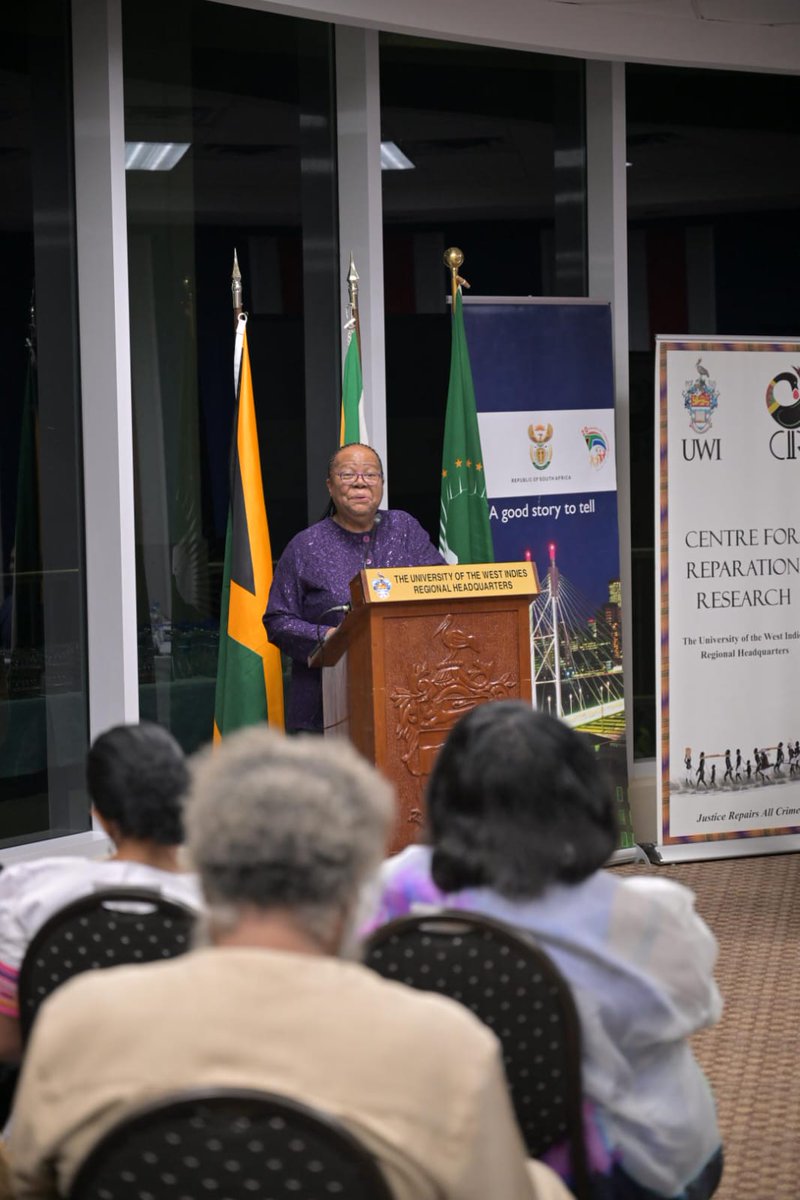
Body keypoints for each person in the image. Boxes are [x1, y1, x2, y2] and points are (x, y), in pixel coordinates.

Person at [8, 727, 570, 1200]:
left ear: (204, 863)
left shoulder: (74, 1020)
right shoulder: (449, 1048)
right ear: (354, 889)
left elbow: (25, 1183)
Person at [368, 702, 724, 1200]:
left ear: (446, 798)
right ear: (583, 796)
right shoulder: (644, 919)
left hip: (446, 1163)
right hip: (617, 1169)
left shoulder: (388, 892)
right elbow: (697, 1009)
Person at [0, 722, 202, 1062]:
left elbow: (7, 1042)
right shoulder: (228, 910)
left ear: (100, 816)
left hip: (66, 1100)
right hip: (193, 1103)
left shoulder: (27, 893)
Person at [264, 443, 444, 731]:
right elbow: (277, 620)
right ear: (330, 486)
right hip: (326, 709)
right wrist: (329, 637)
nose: (360, 481)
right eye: (347, 474)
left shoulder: (405, 529)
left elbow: (442, 590)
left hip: (406, 702)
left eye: (370, 474)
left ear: (382, 484)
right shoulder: (305, 546)